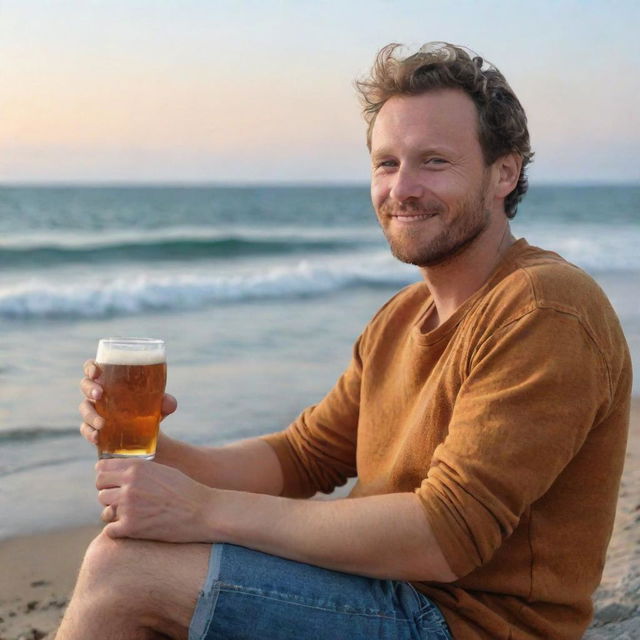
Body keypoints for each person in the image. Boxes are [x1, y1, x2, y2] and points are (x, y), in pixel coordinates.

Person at [57, 42, 631, 640]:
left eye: (433, 161)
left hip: (467, 622)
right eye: (386, 164)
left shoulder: (544, 308)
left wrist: (202, 510)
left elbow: (447, 535)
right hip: (379, 593)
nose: (401, 188)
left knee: (126, 569)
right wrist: (152, 449)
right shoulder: (401, 317)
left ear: (503, 173)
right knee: (136, 548)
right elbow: (301, 458)